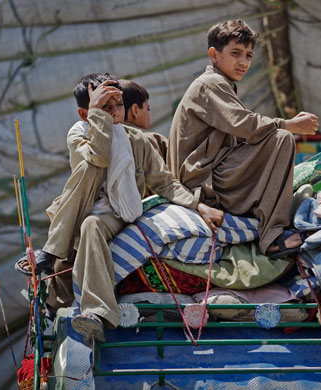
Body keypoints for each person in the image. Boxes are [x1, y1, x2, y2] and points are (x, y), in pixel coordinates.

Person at [15, 73, 224, 342]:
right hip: (79, 216)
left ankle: (97, 313)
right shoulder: (78, 136)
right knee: (88, 189)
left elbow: (165, 182)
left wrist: (199, 206)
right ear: (85, 112)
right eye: (106, 107)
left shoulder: (138, 141)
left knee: (90, 226)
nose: (115, 113)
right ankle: (61, 317)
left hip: (118, 215)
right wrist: (97, 117)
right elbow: (98, 157)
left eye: (118, 105)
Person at [167, 19, 319, 258]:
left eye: (248, 55)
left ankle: (264, 214)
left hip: (215, 174)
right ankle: (273, 235)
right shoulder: (210, 83)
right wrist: (288, 124)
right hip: (203, 182)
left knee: (273, 140)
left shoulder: (221, 84)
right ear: (213, 55)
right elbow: (245, 125)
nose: (243, 62)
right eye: (236, 53)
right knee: (281, 139)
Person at [119, 79, 168, 161]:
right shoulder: (154, 140)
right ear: (135, 110)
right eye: (148, 108)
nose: (149, 113)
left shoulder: (106, 142)